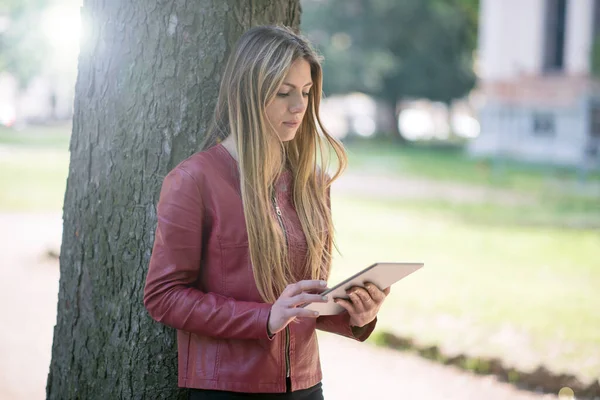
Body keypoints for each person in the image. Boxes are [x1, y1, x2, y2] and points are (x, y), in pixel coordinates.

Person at [143, 25, 390, 400]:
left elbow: (302, 301)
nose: (299, 107)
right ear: (248, 94)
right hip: (227, 388)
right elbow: (163, 296)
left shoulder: (311, 183)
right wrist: (265, 317)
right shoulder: (194, 180)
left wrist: (357, 314)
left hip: (306, 385)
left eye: (306, 93)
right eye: (283, 93)